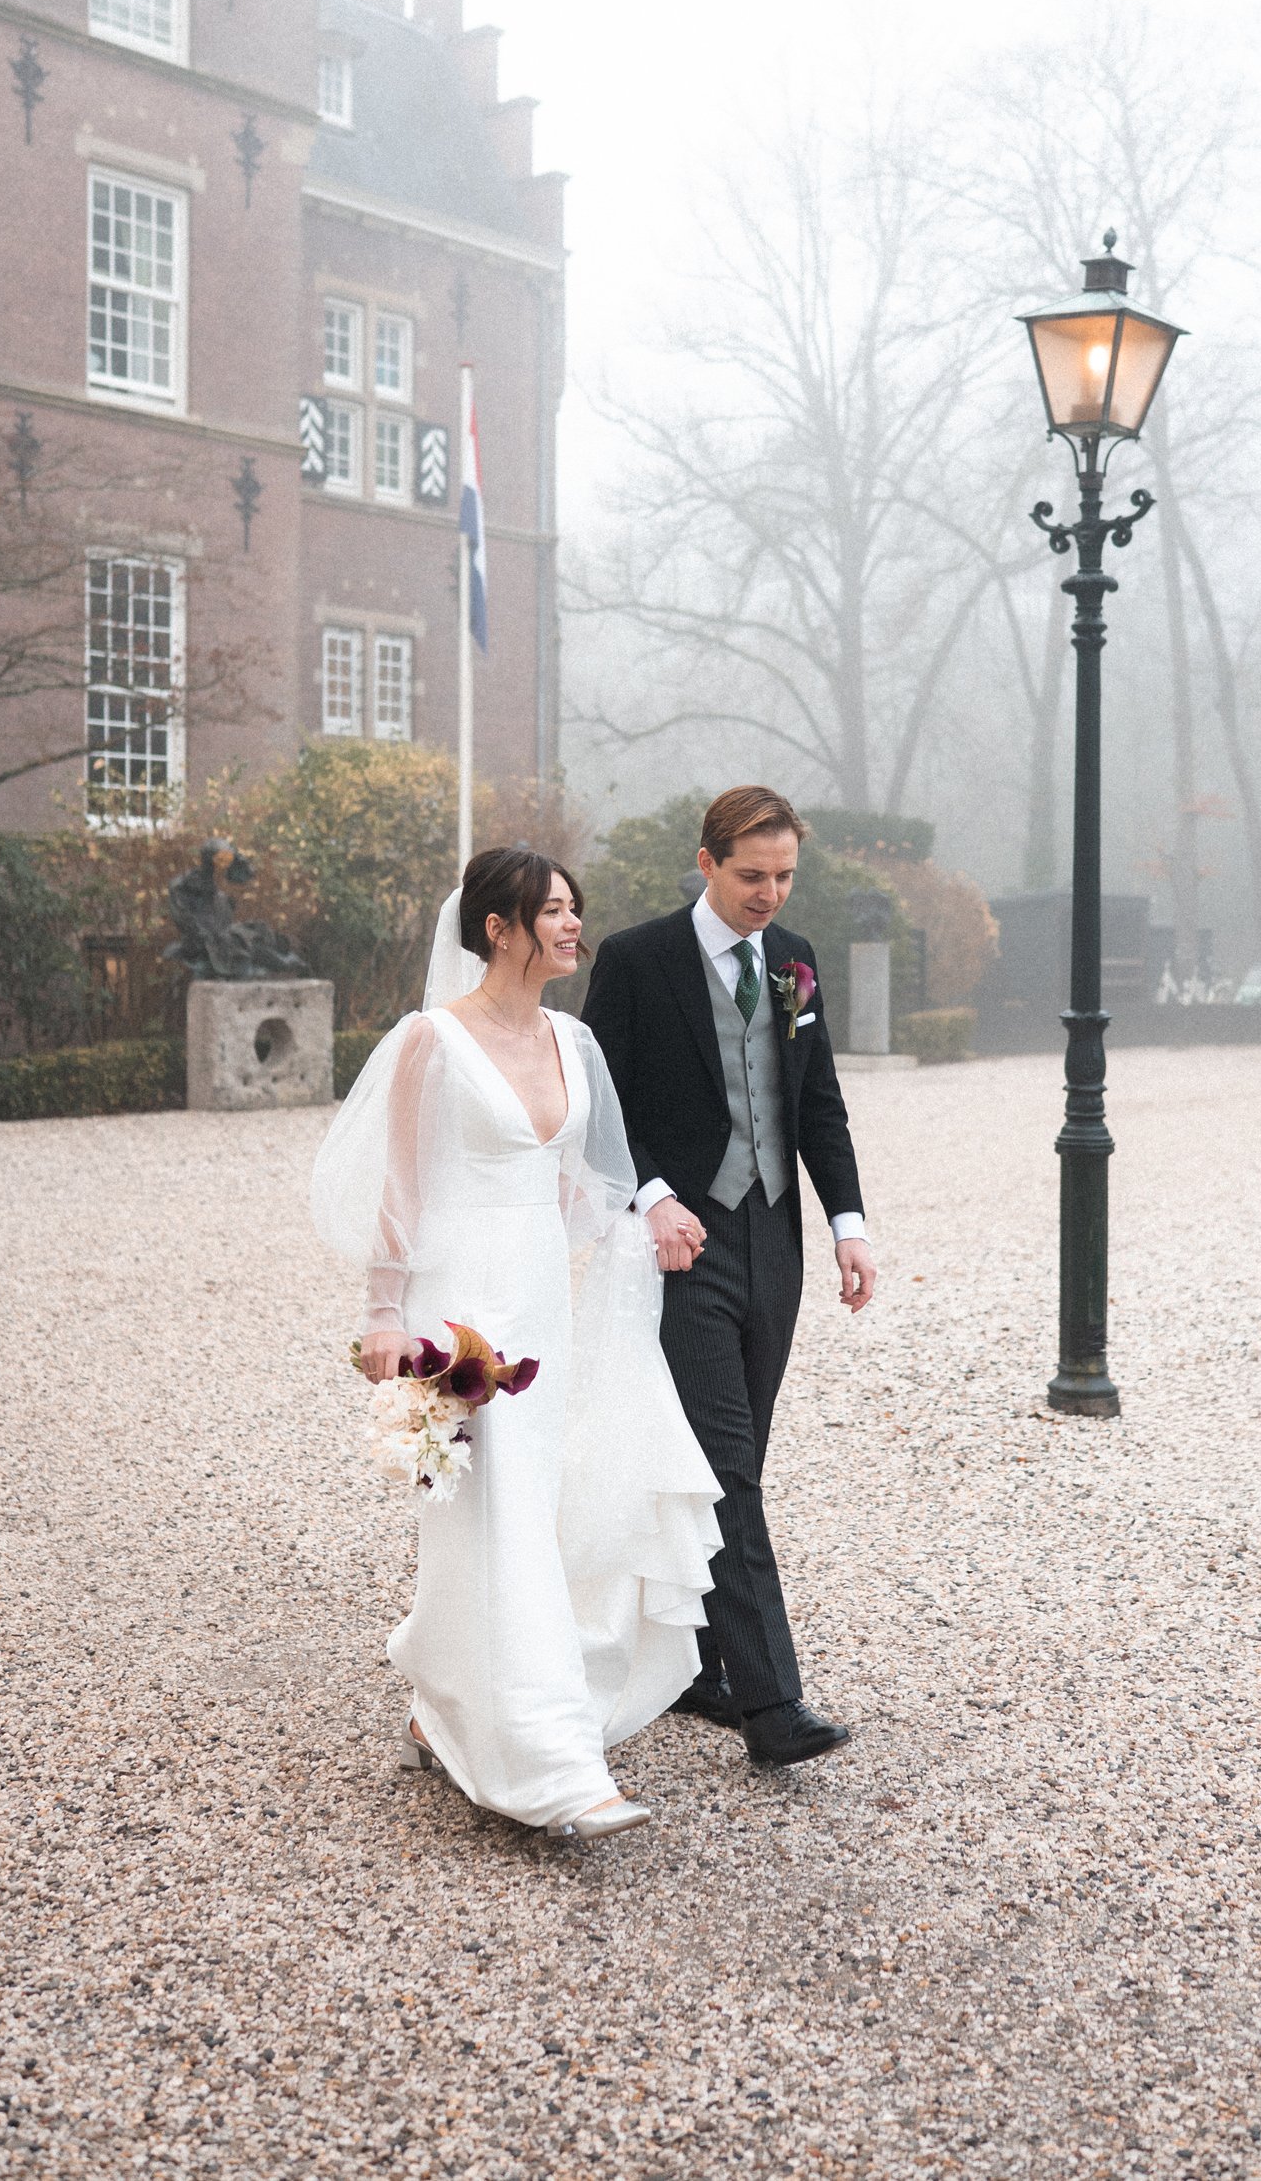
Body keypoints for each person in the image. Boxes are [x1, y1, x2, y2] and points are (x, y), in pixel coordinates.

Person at [310, 847, 722, 1841]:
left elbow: (587, 1181)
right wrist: (380, 1314)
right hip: (461, 1307)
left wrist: (646, 1223)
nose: (574, 926)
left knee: (521, 1505)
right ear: (498, 928)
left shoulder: (574, 1040)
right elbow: (399, 1187)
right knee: (490, 1505)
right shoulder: (430, 1042)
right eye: (553, 912)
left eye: (575, 910)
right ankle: (551, 1767)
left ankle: (438, 1690)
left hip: (544, 1301)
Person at [583, 786, 876, 1767]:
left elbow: (817, 1100)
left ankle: (697, 1663)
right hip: (679, 1242)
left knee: (718, 1466)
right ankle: (770, 1702)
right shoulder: (635, 960)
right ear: (704, 862)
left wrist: (846, 1223)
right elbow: (602, 1102)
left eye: (784, 875)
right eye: (751, 874)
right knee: (731, 1466)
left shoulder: (793, 961)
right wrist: (653, 1194)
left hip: (774, 1244)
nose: (768, 892)